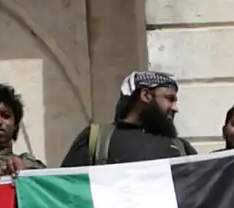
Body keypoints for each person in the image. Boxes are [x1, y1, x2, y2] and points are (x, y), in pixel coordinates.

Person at [60, 71, 196, 167]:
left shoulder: (182, 148)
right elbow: (68, 188)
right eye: (169, 99)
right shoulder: (97, 140)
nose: (175, 108)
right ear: (146, 95)